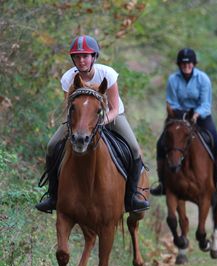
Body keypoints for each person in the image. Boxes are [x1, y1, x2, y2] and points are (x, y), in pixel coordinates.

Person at [35, 35, 149, 213]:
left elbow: (114, 107)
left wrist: (100, 122)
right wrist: (76, 125)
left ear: (93, 57)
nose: (81, 60)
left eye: (85, 56)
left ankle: (132, 197)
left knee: (134, 148)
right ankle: (53, 196)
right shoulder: (68, 78)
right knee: (51, 146)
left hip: (111, 117)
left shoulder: (107, 74)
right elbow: (70, 108)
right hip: (79, 118)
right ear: (73, 59)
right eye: (77, 57)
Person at [150, 48, 217, 196]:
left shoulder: (203, 79)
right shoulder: (173, 80)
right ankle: (162, 182)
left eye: (189, 63)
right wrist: (181, 114)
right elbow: (171, 102)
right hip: (178, 116)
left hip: (201, 115)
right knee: (161, 143)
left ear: (194, 64)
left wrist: (196, 114)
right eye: (183, 63)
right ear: (179, 64)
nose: (186, 66)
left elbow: (206, 103)